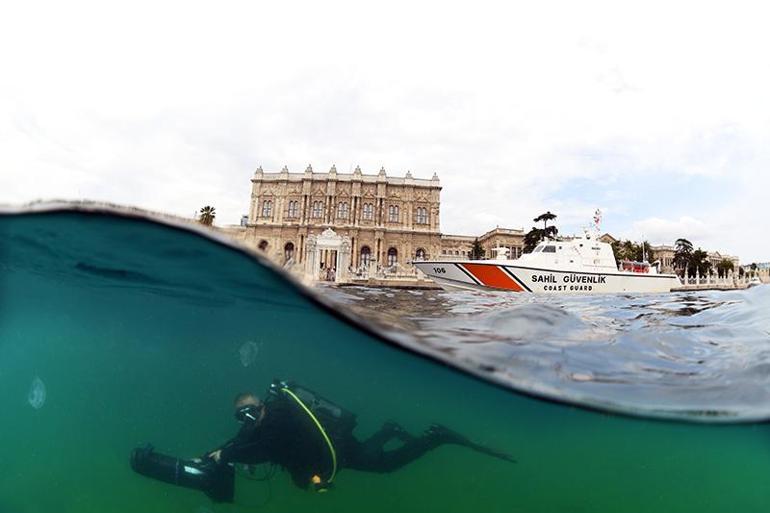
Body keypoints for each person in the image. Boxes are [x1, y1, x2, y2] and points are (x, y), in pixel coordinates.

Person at [131, 380, 514, 503]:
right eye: (242, 417)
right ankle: (391, 429)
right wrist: (218, 452)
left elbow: (261, 447)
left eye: (251, 411)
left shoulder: (278, 416)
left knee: (385, 465)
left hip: (335, 452)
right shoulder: (258, 428)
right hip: (334, 453)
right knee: (371, 456)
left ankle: (437, 439)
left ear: (262, 405)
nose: (248, 420)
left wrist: (226, 452)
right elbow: (245, 444)